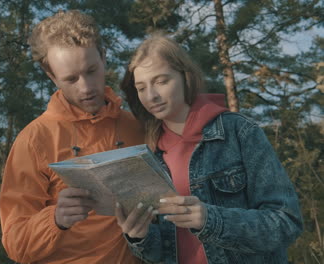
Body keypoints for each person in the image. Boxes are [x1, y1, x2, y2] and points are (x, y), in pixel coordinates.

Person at [116, 34, 303, 264]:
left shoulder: (238, 131)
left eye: (161, 81)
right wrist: (140, 237)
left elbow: (286, 222)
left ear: (186, 77)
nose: (151, 96)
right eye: (141, 87)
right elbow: (162, 253)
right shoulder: (150, 154)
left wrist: (210, 220)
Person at [0, 10, 144, 264]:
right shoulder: (33, 140)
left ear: (103, 56)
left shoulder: (136, 127)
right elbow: (15, 243)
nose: (86, 87)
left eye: (91, 70)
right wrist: (55, 220)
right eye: (71, 79)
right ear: (51, 75)